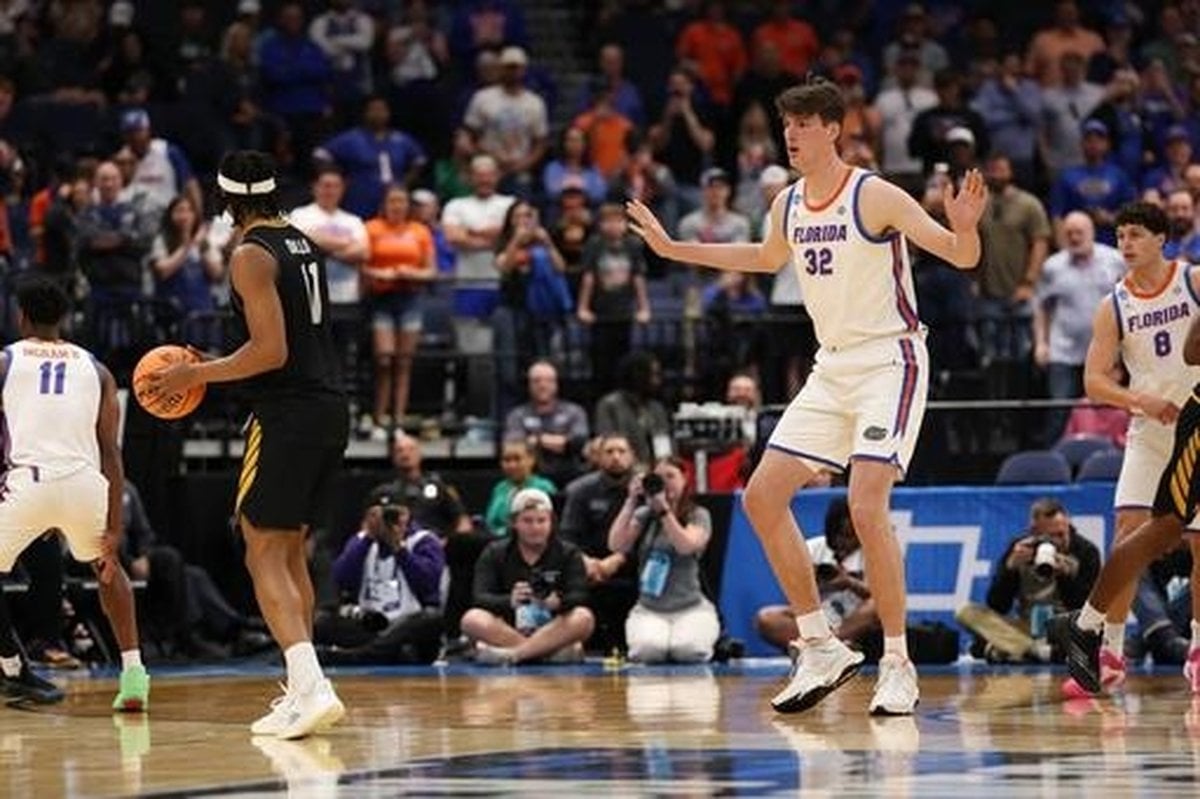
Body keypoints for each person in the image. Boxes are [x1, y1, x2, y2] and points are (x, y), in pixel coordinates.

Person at [627, 75, 987, 715]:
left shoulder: (874, 194)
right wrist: (673, 248)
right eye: (785, 125)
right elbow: (765, 258)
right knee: (762, 497)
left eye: (802, 124)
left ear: (832, 130)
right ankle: (820, 644)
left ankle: (897, 662)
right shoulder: (788, 204)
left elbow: (960, 256)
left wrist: (964, 228)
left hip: (890, 359)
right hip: (832, 367)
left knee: (866, 504)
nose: (790, 135)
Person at [145, 150, 348, 739]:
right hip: (328, 405)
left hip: (287, 412)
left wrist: (195, 374)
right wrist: (212, 364)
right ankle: (304, 688)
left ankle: (311, 686)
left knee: (261, 549)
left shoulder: (250, 254)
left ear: (226, 197)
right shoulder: (302, 241)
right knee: (288, 550)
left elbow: (270, 352)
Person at [1063, 202, 1200, 696]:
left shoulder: (1192, 282)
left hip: (1196, 428)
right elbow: (1094, 381)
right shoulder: (1114, 305)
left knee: (1198, 541)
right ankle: (1111, 650)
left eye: (1136, 234)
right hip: (1150, 430)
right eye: (1120, 235)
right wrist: (1140, 400)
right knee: (1127, 530)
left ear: (1162, 239)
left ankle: (1197, 649)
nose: (1125, 243)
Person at [0, 275, 148, 708]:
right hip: (86, 486)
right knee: (108, 570)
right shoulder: (98, 370)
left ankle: (11, 666)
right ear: (64, 319)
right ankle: (134, 674)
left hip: (29, 481)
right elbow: (111, 453)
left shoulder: (6, 361)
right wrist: (114, 529)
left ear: (21, 317)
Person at [956, 498, 1100, 664]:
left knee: (1092, 635)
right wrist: (1009, 569)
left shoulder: (1085, 551)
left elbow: (1088, 607)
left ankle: (1010, 650)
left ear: (1068, 524)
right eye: (1050, 536)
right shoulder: (1020, 549)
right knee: (966, 612)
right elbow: (997, 605)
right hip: (1027, 626)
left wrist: (1064, 576)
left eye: (1061, 534)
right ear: (1035, 533)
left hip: (1066, 625)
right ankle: (1037, 651)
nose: (1058, 541)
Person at [461, 488, 594, 665]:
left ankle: (514, 655)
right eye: (527, 521)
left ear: (551, 522)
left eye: (541, 521)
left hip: (555, 627)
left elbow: (581, 594)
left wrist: (559, 602)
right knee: (472, 619)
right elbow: (480, 597)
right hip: (509, 628)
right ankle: (547, 654)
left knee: (583, 617)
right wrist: (509, 601)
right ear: (514, 523)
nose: (535, 527)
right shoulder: (494, 552)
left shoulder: (568, 552)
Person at [607, 457, 720, 663]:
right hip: (649, 609)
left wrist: (664, 512)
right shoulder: (644, 515)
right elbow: (616, 544)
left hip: (691, 607)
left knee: (688, 651)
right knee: (648, 652)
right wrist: (630, 501)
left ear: (684, 480)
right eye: (659, 478)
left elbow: (685, 546)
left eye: (671, 476)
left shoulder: (698, 515)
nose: (665, 483)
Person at [316, 497, 445, 665]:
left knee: (431, 618)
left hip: (410, 623)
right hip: (372, 624)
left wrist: (399, 548)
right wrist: (368, 538)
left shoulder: (424, 541)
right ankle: (388, 653)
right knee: (323, 621)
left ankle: (357, 656)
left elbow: (428, 584)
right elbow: (341, 579)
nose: (387, 522)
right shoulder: (361, 541)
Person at [754, 497, 881, 661]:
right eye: (839, 535)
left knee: (877, 607)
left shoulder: (873, 552)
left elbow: (880, 597)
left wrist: (849, 583)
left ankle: (829, 647)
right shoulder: (811, 548)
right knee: (766, 618)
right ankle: (824, 649)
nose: (843, 541)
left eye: (849, 536)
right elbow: (795, 596)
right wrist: (817, 583)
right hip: (818, 619)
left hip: (854, 624)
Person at [503, 360, 590, 488]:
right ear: (529, 384)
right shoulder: (517, 415)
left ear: (556, 384)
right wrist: (561, 442)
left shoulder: (574, 411)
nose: (543, 385)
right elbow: (515, 446)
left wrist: (537, 440)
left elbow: (578, 442)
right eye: (536, 381)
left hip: (571, 477)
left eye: (549, 380)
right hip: (530, 481)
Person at [484, 439, 557, 538]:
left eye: (517, 459)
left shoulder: (544, 487)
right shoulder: (500, 488)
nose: (512, 465)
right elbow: (490, 522)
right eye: (506, 460)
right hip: (496, 540)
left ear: (531, 460)